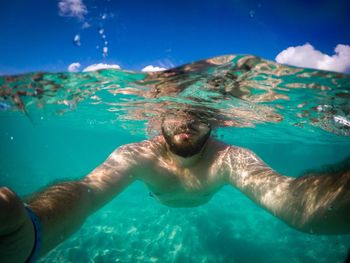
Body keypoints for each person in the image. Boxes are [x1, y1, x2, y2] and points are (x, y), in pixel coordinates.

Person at [1, 109, 349, 263]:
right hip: (160, 198)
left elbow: (294, 200)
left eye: (197, 113)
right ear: (158, 119)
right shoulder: (136, 155)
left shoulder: (230, 158)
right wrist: (31, 227)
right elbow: (86, 192)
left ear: (214, 121)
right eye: (175, 113)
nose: (186, 121)